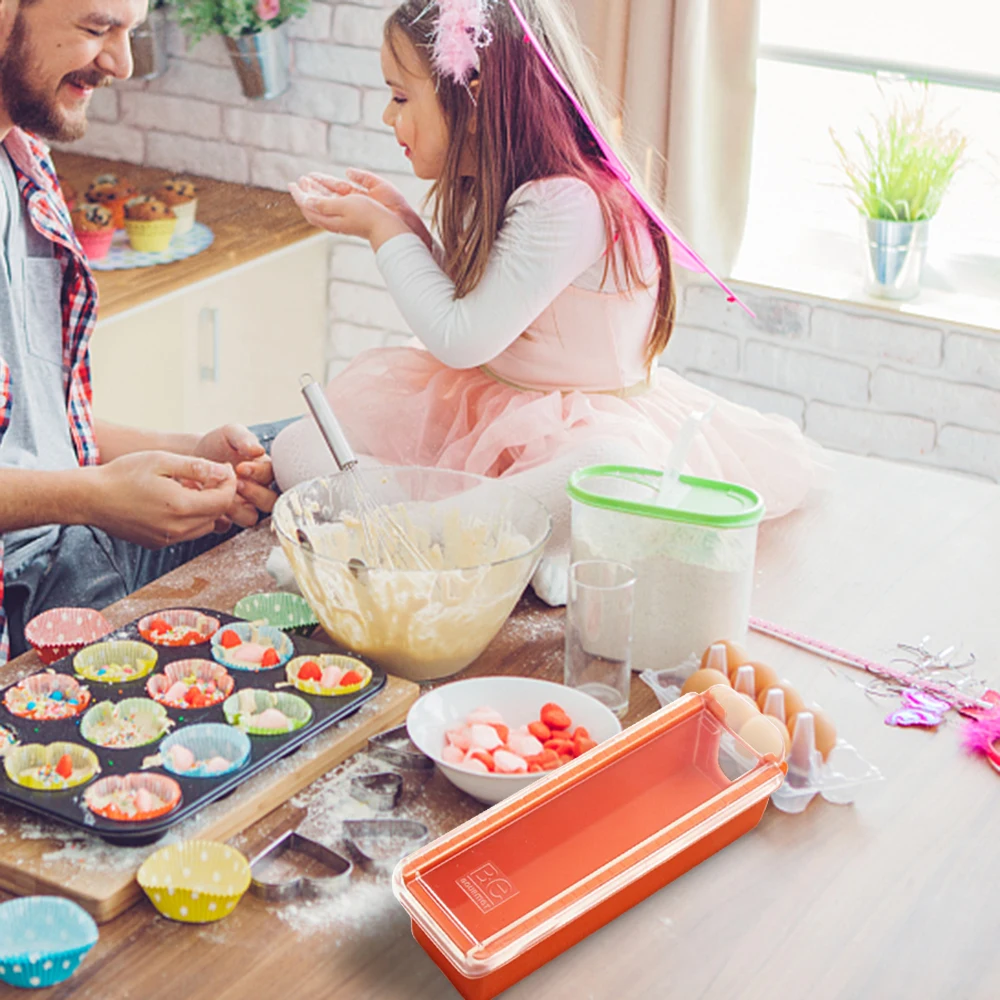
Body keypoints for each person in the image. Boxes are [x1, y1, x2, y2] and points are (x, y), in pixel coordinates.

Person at [270, 0, 822, 603]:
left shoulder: (569, 204)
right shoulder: (503, 183)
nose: (387, 115)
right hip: (488, 411)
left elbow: (461, 338)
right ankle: (496, 539)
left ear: (473, 98)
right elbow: (483, 311)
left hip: (581, 428)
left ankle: (427, 534)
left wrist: (386, 234)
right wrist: (405, 221)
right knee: (298, 446)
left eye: (401, 98)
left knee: (609, 469)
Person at [0, 0, 279, 661]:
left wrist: (189, 451)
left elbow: (36, 429)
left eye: (131, 31)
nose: (122, 64)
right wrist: (92, 496)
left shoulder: (23, 164)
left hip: (63, 534)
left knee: (297, 465)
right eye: (97, 30)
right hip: (25, 584)